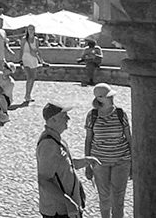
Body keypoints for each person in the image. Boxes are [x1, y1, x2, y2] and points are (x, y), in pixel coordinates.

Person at [37, 101, 99, 217]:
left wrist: (86, 161)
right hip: (59, 211)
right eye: (64, 116)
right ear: (53, 120)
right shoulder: (49, 145)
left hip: (67, 208)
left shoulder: (57, 139)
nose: (68, 118)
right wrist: (68, 203)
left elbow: (65, 165)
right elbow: (44, 181)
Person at [83, 84, 133, 218]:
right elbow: (88, 140)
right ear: (99, 98)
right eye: (108, 96)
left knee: (118, 198)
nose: (112, 98)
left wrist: (133, 162)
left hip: (121, 161)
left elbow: (129, 138)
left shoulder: (120, 113)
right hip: (100, 162)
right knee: (104, 198)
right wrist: (88, 164)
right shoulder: (92, 116)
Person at [19, 26, 44, 103]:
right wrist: (20, 60)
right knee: (29, 77)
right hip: (26, 58)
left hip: (33, 59)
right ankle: (27, 95)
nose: (31, 31)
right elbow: (21, 50)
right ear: (27, 30)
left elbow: (37, 50)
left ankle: (28, 95)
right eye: (30, 29)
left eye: (32, 29)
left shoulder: (36, 39)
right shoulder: (24, 39)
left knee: (32, 78)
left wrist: (41, 60)